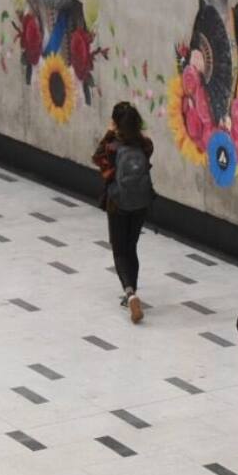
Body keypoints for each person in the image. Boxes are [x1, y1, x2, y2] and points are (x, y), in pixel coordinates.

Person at [92, 102, 155, 324]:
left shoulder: (111, 147)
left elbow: (97, 158)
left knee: (119, 251)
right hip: (141, 202)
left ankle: (130, 295)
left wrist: (110, 132)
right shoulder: (145, 145)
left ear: (116, 123)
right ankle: (133, 290)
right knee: (132, 247)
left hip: (117, 203)